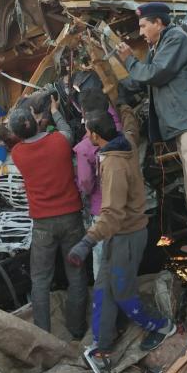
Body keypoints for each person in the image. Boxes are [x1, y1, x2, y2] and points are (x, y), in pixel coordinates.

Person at [67, 104, 175, 368]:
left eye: (86, 130)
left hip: (127, 235)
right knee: (104, 289)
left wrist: (87, 241)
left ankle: (161, 326)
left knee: (124, 293)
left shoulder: (114, 165)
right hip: (117, 235)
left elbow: (112, 214)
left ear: (94, 135)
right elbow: (131, 125)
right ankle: (103, 346)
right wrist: (123, 104)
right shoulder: (124, 141)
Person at [116, 2, 187, 266]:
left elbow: (154, 74)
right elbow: (140, 80)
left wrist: (129, 59)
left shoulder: (176, 39)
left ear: (158, 23)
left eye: (143, 26)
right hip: (185, 124)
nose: (141, 32)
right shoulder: (159, 46)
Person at [9, 95, 87, 339]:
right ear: (37, 120)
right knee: (77, 275)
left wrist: (35, 120)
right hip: (71, 219)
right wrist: (54, 111)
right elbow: (65, 129)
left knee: (40, 280)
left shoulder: (18, 154)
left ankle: (44, 337)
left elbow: (24, 134)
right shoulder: (60, 141)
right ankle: (76, 329)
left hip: (42, 224)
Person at [73, 88, 122, 280]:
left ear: (84, 113)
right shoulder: (121, 132)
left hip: (102, 211)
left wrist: (78, 183)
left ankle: (105, 306)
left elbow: (85, 183)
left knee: (102, 263)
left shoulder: (86, 147)